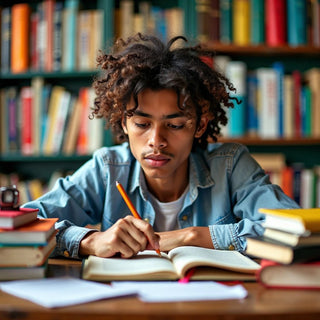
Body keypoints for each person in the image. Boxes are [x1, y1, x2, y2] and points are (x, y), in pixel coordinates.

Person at [24, 33, 299, 259]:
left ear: (199, 126)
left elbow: (295, 229)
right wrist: (90, 241)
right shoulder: (108, 169)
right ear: (123, 123)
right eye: (142, 124)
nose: (156, 140)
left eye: (176, 125)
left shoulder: (230, 165)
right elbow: (23, 225)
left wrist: (192, 236)